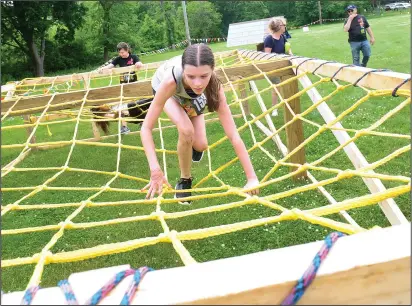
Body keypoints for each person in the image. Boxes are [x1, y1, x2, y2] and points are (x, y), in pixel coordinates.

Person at [140, 44, 260, 204]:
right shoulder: (170, 81)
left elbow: (233, 134)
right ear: (183, 70)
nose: (197, 83)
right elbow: (146, 128)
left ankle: (194, 147)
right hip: (169, 91)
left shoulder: (214, 87)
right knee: (186, 130)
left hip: (191, 97)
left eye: (204, 76)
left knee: (201, 145)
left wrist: (252, 177)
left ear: (212, 70)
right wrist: (155, 170)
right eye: (191, 76)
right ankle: (185, 180)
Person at [97, 42, 144, 134]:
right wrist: (104, 68)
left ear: (127, 50)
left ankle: (142, 121)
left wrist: (138, 64)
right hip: (123, 85)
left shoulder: (133, 57)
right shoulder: (118, 59)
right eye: (119, 52)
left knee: (138, 104)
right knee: (122, 105)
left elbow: (139, 62)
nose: (121, 54)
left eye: (122, 52)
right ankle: (124, 127)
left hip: (134, 85)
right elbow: (111, 65)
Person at [263, 17, 293, 117]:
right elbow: (267, 56)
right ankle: (274, 108)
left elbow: (288, 50)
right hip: (273, 67)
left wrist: (291, 56)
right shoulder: (269, 39)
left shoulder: (283, 37)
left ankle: (288, 104)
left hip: (283, 65)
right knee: (277, 87)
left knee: (288, 83)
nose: (285, 27)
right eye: (283, 25)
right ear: (278, 27)